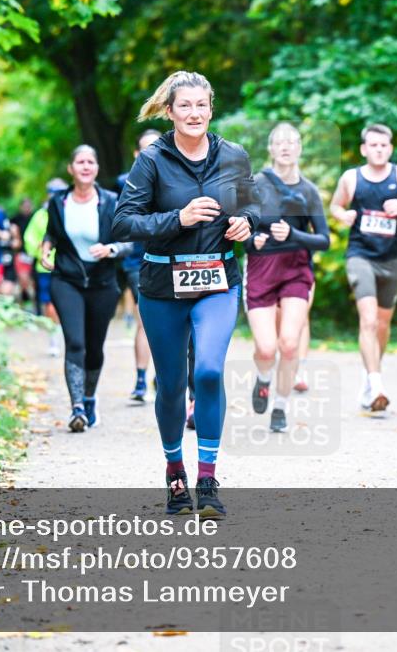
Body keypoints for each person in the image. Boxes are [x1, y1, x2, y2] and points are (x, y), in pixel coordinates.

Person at [112, 70, 258, 518]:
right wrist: (179, 218)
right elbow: (122, 223)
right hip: (162, 286)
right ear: (170, 111)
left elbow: (251, 204)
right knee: (172, 386)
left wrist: (246, 222)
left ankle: (208, 478)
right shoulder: (152, 160)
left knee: (210, 372)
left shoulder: (233, 155)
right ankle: (175, 471)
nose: (194, 113)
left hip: (217, 281)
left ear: (211, 108)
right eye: (185, 106)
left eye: (201, 105)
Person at [40, 145, 132, 433]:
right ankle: (76, 407)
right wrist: (45, 250)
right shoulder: (58, 202)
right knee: (75, 342)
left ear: (96, 168)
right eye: (79, 161)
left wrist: (111, 249)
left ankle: (90, 397)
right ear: (71, 169)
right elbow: (52, 233)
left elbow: (129, 241)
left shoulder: (111, 201)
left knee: (94, 348)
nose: (85, 166)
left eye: (90, 161)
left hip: (103, 283)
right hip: (66, 279)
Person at [245, 123, 329, 432]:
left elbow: (324, 240)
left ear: (299, 148)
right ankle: (264, 378)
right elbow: (239, 229)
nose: (285, 146)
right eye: (278, 142)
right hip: (261, 269)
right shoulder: (255, 185)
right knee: (267, 348)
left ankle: (280, 407)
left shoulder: (308, 190)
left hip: (296, 270)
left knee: (289, 343)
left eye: (291, 141)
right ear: (270, 149)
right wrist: (251, 239)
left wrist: (293, 233)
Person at [329, 124, 397, 412]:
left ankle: (370, 377)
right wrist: (344, 215)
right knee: (367, 320)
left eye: (384, 145)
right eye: (373, 145)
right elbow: (335, 206)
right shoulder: (351, 178)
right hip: (360, 255)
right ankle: (377, 384)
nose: (379, 149)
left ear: (390, 148)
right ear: (364, 149)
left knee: (382, 324)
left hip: (393, 258)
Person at [116, 129, 162, 403]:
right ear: (136, 153)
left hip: (171, 261)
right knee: (146, 319)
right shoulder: (125, 183)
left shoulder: (175, 177)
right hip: (137, 260)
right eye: (146, 148)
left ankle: (164, 374)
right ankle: (142, 379)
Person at [24, 178, 69, 355]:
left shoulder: (71, 212)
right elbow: (30, 239)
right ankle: (54, 338)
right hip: (46, 268)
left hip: (68, 267)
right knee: (50, 305)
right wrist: (40, 251)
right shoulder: (40, 215)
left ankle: (64, 336)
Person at [11, 197, 35, 304]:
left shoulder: (35, 218)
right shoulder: (15, 219)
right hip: (21, 254)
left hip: (33, 254)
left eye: (28, 206)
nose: (26, 208)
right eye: (24, 206)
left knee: (31, 282)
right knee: (22, 279)